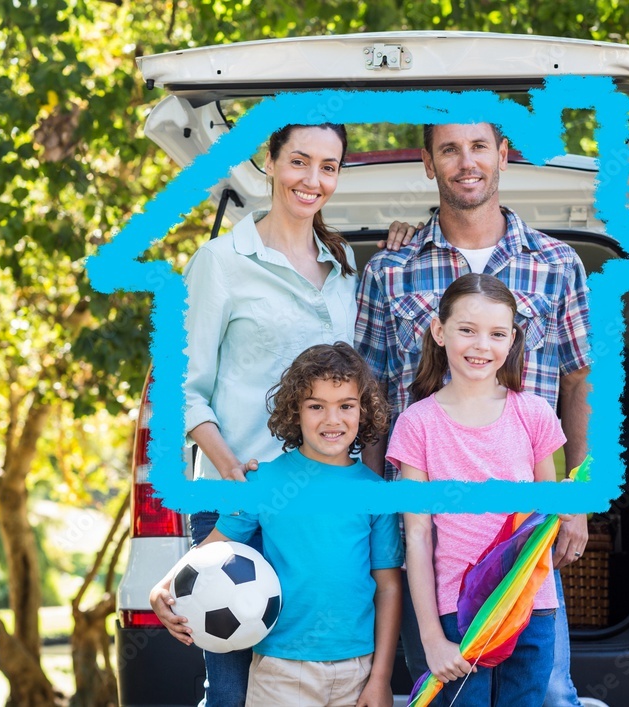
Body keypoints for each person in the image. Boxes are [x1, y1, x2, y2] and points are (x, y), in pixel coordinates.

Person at [158, 122, 412, 707]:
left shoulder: (347, 265)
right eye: (299, 161)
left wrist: (393, 259)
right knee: (232, 691)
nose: (312, 179)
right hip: (241, 503)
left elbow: (358, 367)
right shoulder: (219, 262)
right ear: (269, 162)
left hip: (325, 507)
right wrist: (230, 468)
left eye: (328, 167)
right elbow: (181, 387)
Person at [354, 122, 590, 706]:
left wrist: (576, 504)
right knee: (447, 683)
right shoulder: (390, 269)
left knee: (547, 691)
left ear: (503, 155)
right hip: (433, 539)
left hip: (524, 538)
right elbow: (372, 398)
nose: (467, 161)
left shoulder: (558, 263)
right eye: (449, 149)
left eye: (480, 146)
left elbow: (581, 379)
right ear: (429, 164)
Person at [151, 342, 404, 707]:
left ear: (363, 412)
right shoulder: (263, 483)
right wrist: (162, 585)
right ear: (295, 412)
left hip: (357, 669)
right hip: (280, 669)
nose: (332, 420)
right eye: (316, 406)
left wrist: (380, 677)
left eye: (346, 406)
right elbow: (215, 548)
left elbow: (389, 587)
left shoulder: (377, 494)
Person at [387, 273, 570, 706]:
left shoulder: (534, 413)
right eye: (467, 330)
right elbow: (417, 536)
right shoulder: (417, 423)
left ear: (511, 341)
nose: (481, 345)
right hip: (459, 611)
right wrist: (431, 639)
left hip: (531, 604)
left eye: (496, 334)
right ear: (439, 331)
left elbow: (550, 513)